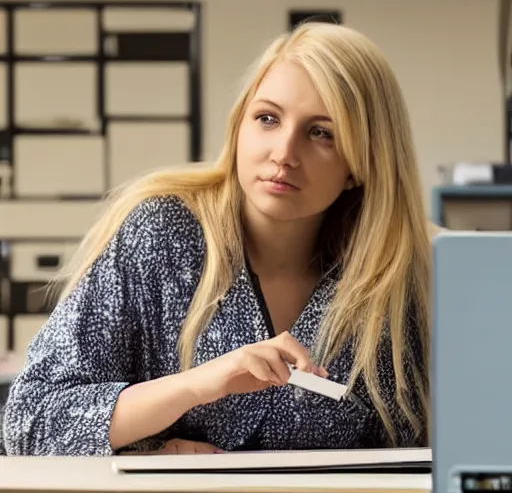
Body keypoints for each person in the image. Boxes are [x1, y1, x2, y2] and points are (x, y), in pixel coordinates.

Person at [3, 22, 433, 456]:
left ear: (361, 163)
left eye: (321, 132)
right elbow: (30, 421)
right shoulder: (160, 235)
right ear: (239, 127)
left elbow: (430, 450)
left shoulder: (396, 279)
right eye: (267, 118)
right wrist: (193, 387)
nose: (283, 153)